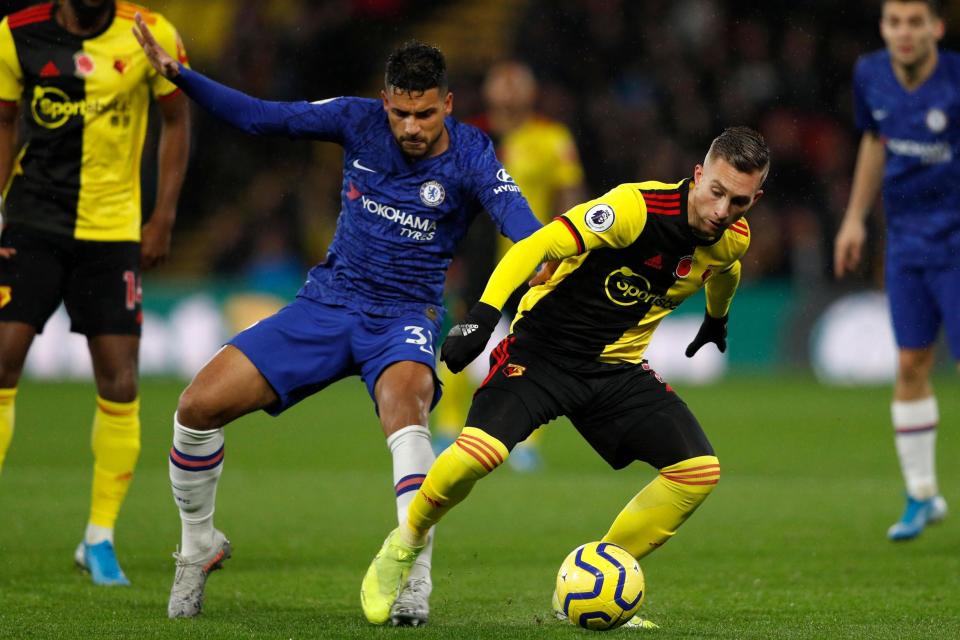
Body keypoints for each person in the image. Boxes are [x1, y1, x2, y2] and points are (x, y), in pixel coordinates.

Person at [133, 17, 542, 623]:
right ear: (385, 102)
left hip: (405, 315)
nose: (411, 127)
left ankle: (412, 576)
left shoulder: (474, 153)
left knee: (408, 410)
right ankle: (198, 546)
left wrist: (542, 259)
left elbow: (520, 221)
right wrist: (180, 75)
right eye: (401, 113)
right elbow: (258, 116)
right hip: (328, 304)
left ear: (448, 105)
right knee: (196, 409)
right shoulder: (356, 120)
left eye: (425, 115)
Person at [361, 127, 769, 627]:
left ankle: (599, 575)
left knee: (697, 472)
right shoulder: (634, 209)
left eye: (740, 202)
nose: (723, 210)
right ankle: (405, 542)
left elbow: (727, 270)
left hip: (615, 370)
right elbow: (535, 245)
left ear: (756, 199)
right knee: (476, 458)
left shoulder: (732, 239)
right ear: (699, 175)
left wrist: (716, 319)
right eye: (717, 192)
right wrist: (484, 314)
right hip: (543, 353)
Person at [0, 0, 190, 586]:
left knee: (120, 380)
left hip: (111, 231)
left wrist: (161, 218)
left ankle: (99, 538)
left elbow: (179, 120)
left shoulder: (149, 32)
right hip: (32, 222)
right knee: (2, 362)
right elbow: (5, 122)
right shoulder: (15, 33)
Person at [834, 0, 956, 541]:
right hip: (905, 243)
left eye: (914, 22)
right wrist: (856, 219)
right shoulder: (870, 74)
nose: (903, 33)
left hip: (957, 243)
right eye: (893, 22)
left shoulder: (956, 80)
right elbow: (873, 142)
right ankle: (921, 494)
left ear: (936, 27)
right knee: (910, 364)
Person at [433, 59, 585, 471]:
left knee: (536, 347)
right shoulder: (471, 136)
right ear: (488, 90)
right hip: (482, 257)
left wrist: (568, 250)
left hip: (535, 258)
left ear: (532, 92)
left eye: (519, 83)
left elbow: (569, 193)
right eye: (503, 83)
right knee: (462, 337)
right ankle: (448, 428)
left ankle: (527, 439)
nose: (511, 90)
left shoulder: (552, 137)